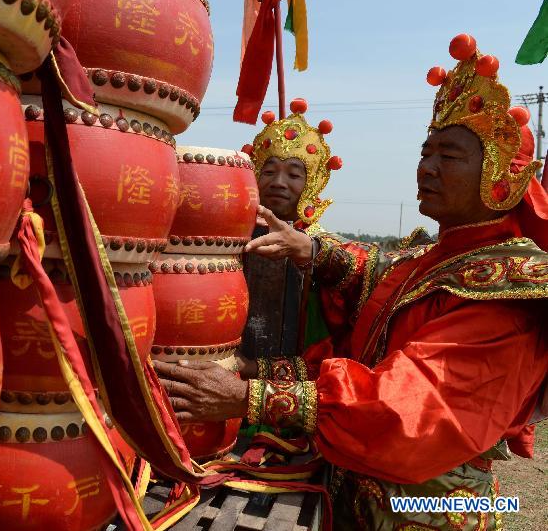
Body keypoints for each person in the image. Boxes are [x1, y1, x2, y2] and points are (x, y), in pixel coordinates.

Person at [156, 34, 548, 529]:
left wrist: (250, 395)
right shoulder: (439, 257)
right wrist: (314, 253)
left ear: (498, 177)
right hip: (356, 490)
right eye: (426, 152)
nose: (426, 167)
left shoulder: (509, 286)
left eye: (448, 157)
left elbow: (410, 409)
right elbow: (379, 287)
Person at [241, 101, 342, 358]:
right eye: (270, 171)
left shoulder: (324, 250)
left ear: (312, 184)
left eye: (294, 175)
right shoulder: (232, 235)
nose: (278, 182)